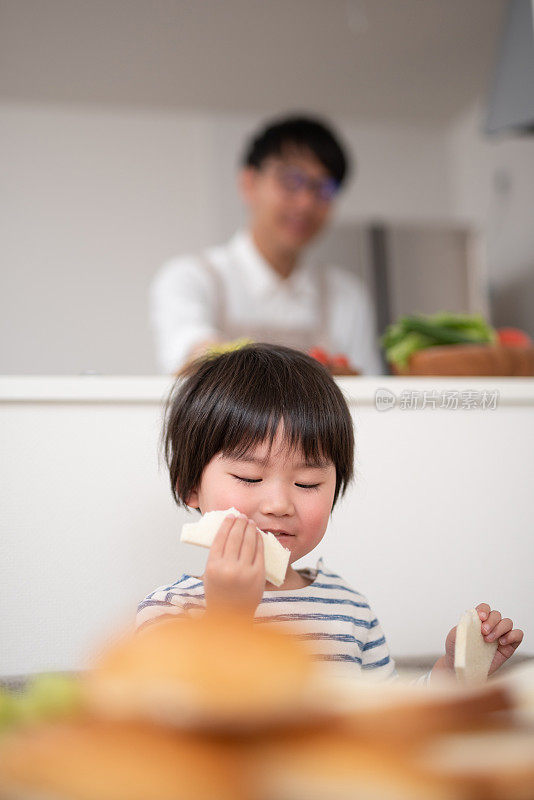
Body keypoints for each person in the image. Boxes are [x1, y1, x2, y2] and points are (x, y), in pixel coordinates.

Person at [136, 343, 523, 681]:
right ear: (190, 487)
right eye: (249, 477)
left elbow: (380, 721)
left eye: (307, 484)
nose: (278, 505)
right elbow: (169, 731)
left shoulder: (348, 607)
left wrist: (453, 673)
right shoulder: (170, 610)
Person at [150, 115, 382, 376]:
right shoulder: (192, 277)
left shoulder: (348, 296)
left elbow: (366, 391)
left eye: (323, 188)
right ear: (249, 183)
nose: (305, 202)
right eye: (291, 181)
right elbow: (191, 356)